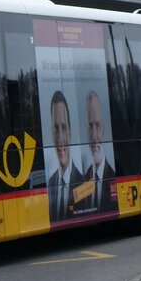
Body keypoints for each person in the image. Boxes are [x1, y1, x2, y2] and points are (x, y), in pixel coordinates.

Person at [47, 90, 81, 222]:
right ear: (51, 134)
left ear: (70, 133)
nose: (60, 137)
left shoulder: (84, 181)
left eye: (64, 127)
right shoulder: (50, 183)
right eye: (56, 128)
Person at [81, 89, 117, 214]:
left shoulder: (114, 175)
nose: (94, 134)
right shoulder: (84, 179)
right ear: (86, 130)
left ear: (103, 130)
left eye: (97, 125)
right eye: (90, 126)